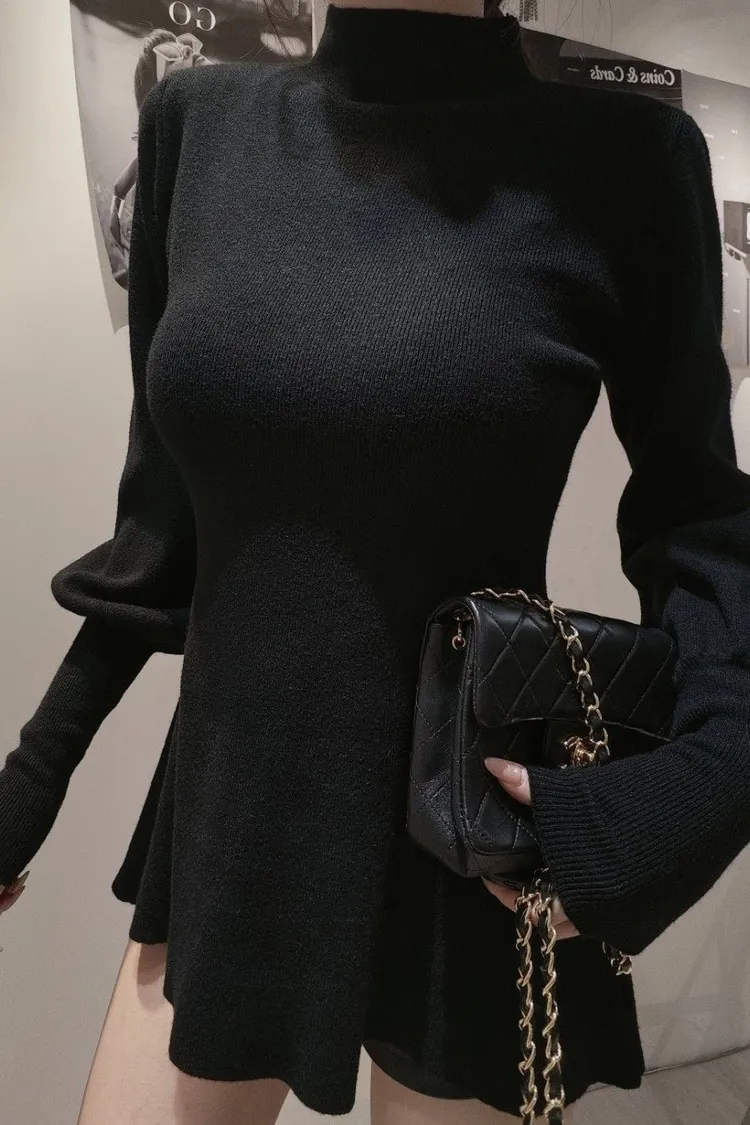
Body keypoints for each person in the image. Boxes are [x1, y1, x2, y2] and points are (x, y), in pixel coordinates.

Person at [3, 1, 750, 1122]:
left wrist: (701, 788)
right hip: (233, 811)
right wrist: (31, 779)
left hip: (469, 827)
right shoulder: (197, 126)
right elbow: (160, 537)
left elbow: (698, 519)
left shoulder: (626, 157)